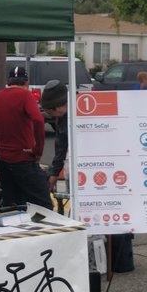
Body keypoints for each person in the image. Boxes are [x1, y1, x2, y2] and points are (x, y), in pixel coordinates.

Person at [40, 80, 134, 272]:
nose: (49, 115)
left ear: (59, 106)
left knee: (107, 213)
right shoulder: (66, 116)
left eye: (50, 111)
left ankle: (115, 258)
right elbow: (61, 148)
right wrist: (53, 173)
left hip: (105, 171)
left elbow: (64, 146)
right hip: (89, 172)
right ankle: (103, 257)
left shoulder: (82, 112)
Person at [0, 65, 51, 210]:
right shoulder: (26, 96)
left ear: (9, 81)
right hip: (24, 160)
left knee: (12, 207)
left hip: (4, 162)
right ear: (26, 82)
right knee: (44, 206)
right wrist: (37, 150)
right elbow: (38, 120)